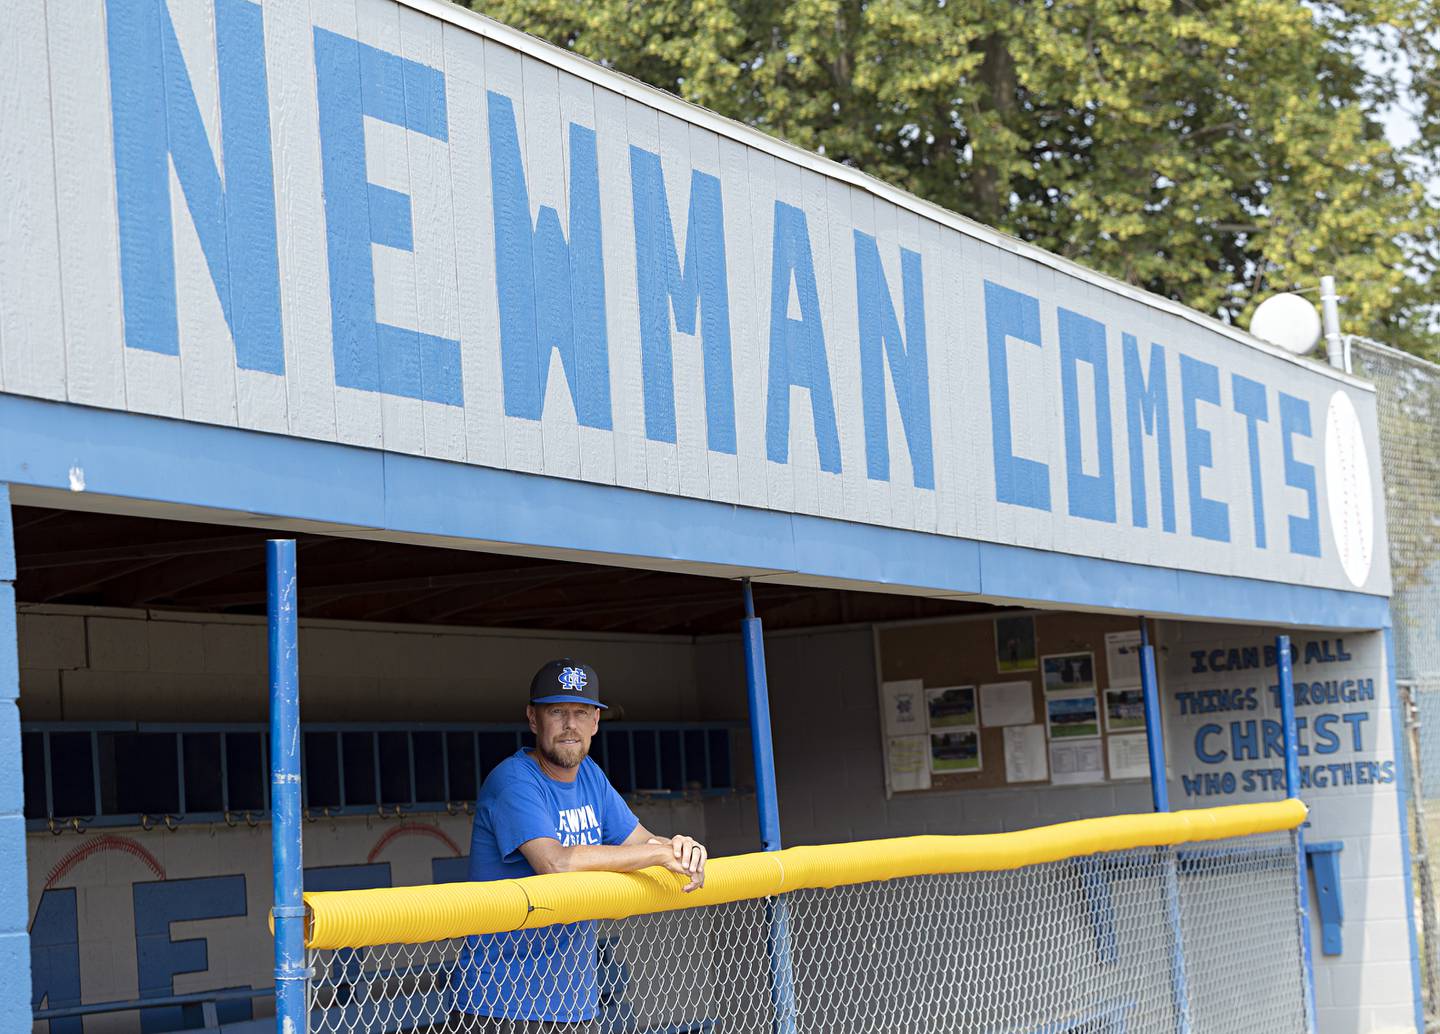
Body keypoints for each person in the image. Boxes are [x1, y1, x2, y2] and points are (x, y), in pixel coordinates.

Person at [448, 659, 708, 1032]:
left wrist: (681, 846)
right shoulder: (513, 779)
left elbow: (642, 840)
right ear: (534, 718)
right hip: (501, 1003)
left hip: (573, 1002)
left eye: (582, 712)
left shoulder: (590, 776)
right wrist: (657, 852)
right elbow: (555, 863)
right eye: (557, 711)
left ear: (595, 722)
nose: (570, 724)